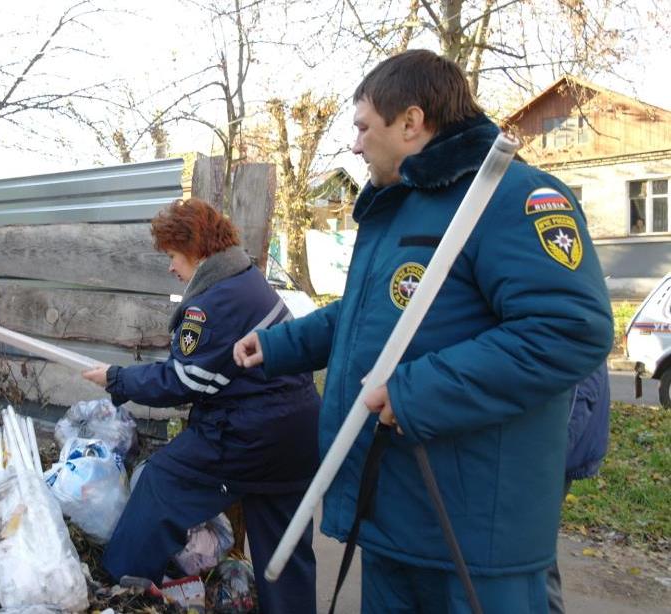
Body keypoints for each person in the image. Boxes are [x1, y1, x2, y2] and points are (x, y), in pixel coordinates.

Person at [233, 49, 613, 613]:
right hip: (392, 509)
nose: (355, 145)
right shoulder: (399, 210)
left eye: (363, 127)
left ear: (411, 122)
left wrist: (416, 393)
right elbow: (367, 317)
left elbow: (567, 329)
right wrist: (277, 344)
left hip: (470, 533)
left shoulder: (513, 197)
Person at [82, 198, 321, 613]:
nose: (171, 266)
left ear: (195, 249)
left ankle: (118, 592)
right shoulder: (246, 278)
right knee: (285, 548)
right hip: (297, 431)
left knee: (160, 482)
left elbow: (183, 381)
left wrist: (117, 379)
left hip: (249, 433)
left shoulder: (211, 303)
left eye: (173, 255)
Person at [547, 362, 611, 613]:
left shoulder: (574, 330)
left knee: (534, 562)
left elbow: (578, 400)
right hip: (550, 458)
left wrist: (542, 463)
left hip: (547, 463)